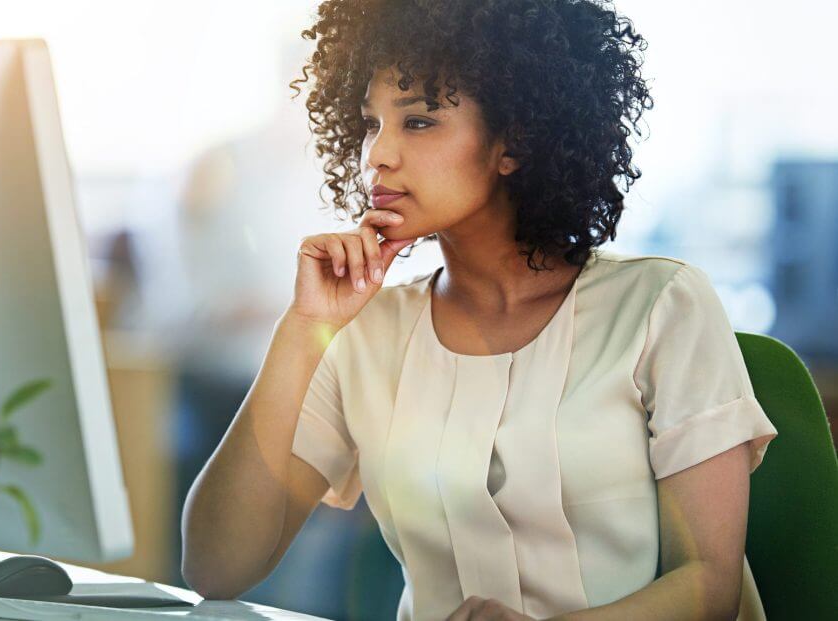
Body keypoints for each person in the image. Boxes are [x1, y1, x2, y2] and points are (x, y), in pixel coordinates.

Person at [180, 1, 779, 619]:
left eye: (417, 122)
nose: (376, 156)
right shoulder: (364, 335)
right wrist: (303, 329)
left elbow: (710, 585)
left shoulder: (661, 307)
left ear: (512, 141)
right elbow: (217, 568)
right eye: (369, 124)